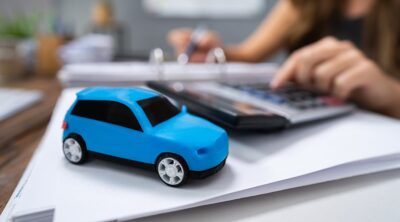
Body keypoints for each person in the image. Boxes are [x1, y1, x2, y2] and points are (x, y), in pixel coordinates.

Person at [168, 0, 400, 119]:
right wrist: (215, 52)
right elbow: (249, 55)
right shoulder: (303, 3)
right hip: (305, 121)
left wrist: (390, 94)